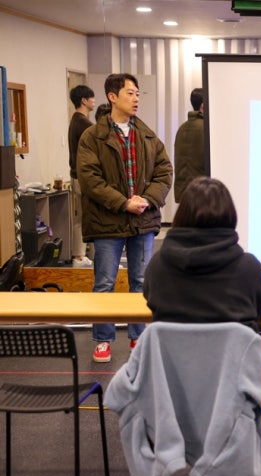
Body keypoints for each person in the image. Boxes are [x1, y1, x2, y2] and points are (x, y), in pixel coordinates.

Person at [77, 73, 173, 363]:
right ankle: (103, 340)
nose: (136, 99)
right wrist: (123, 203)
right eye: (130, 93)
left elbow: (164, 172)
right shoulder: (92, 137)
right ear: (112, 97)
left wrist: (147, 199)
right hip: (107, 222)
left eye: (138, 94)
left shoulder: (147, 135)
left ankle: (137, 338)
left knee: (140, 282)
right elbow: (90, 179)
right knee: (104, 282)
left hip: (142, 220)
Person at [143, 176, 261, 331]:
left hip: (173, 348)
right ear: (230, 215)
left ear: (181, 214)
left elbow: (150, 299)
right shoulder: (249, 268)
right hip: (234, 347)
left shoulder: (158, 266)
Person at [68, 84, 96, 267]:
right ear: (84, 101)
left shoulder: (75, 120)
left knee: (82, 217)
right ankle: (79, 257)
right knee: (87, 216)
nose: (94, 100)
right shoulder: (84, 124)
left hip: (76, 174)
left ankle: (82, 256)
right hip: (83, 176)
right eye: (92, 98)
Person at [173, 88, 205, 203]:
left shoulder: (182, 128)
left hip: (184, 192)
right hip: (202, 192)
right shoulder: (206, 128)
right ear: (203, 106)